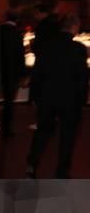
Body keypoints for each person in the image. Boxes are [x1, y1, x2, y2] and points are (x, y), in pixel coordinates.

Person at [26, 14, 88, 178]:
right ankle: (62, 171)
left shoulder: (46, 46)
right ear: (75, 27)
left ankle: (31, 165)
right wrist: (83, 99)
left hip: (47, 98)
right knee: (67, 136)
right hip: (70, 100)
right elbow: (82, 77)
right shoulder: (79, 49)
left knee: (42, 133)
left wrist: (33, 97)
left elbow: (37, 73)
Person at [0, 9, 26, 137]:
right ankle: (6, 129)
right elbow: (20, 57)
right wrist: (23, 74)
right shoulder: (17, 34)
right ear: (18, 19)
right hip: (11, 74)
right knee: (8, 103)